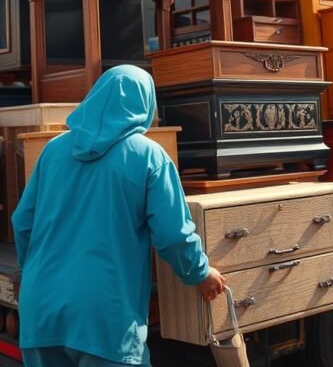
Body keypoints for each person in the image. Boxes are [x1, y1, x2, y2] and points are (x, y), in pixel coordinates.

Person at [12, 65, 225, 367]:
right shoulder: (149, 156)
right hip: (104, 319)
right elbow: (172, 235)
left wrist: (28, 271)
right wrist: (200, 274)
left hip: (40, 311)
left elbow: (22, 222)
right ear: (145, 104)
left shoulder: (53, 150)